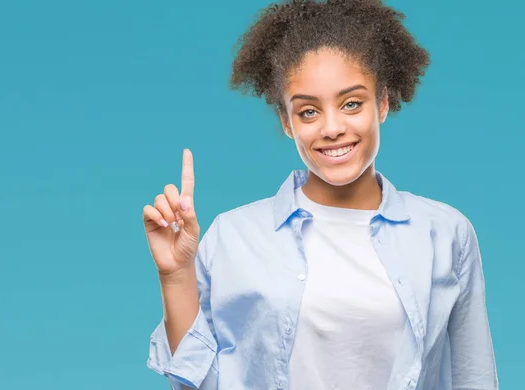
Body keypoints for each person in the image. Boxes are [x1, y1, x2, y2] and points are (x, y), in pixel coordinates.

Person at [142, 0, 498, 389]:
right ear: (286, 122)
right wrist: (175, 275)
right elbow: (198, 385)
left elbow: (475, 378)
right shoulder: (232, 236)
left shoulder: (446, 233)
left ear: (382, 103)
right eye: (308, 111)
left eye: (351, 104)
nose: (331, 128)